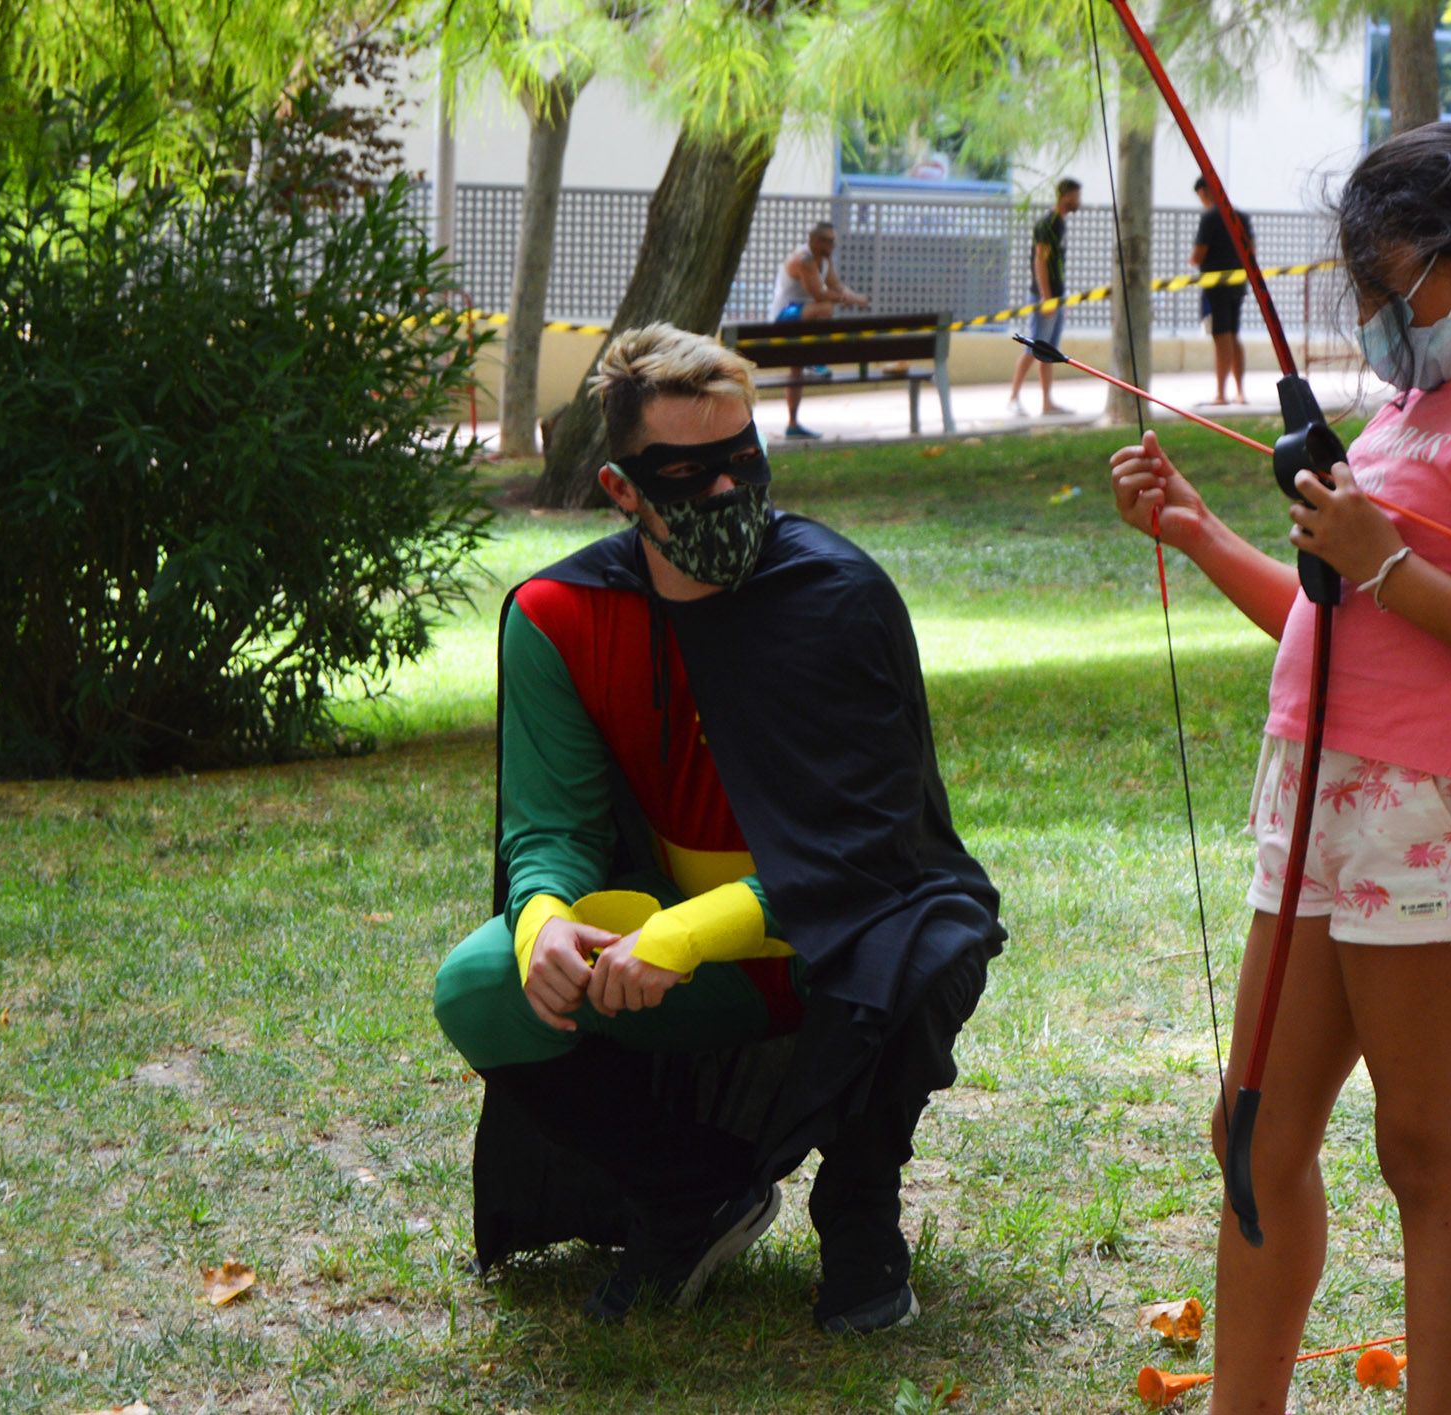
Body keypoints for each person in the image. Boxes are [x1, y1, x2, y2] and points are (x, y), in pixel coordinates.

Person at [1106, 123, 1451, 1414]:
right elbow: (1327, 616)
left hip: (1436, 811)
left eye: (1388, 277)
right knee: (1255, 1132)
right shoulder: (1411, 406)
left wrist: (1386, 557)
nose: (1373, 308)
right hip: (1320, 795)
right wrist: (1195, 523)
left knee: (1420, 1143)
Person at [433, 323, 1002, 1335]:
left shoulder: (841, 593)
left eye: (745, 461)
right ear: (620, 488)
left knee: (931, 940)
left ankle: (859, 1213)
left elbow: (874, 853)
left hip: (850, 931)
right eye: (689, 474)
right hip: (693, 959)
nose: (729, 493)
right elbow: (550, 827)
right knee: (480, 985)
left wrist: (684, 934)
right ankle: (687, 1193)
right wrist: (543, 928)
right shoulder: (559, 614)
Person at [769, 221, 871, 439]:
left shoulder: (825, 260)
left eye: (833, 241)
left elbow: (836, 286)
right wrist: (850, 299)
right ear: (814, 241)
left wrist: (853, 297)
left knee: (796, 367)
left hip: (803, 320)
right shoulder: (803, 259)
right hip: (785, 316)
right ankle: (816, 362)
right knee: (825, 308)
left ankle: (793, 424)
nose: (831, 245)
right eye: (827, 241)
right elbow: (820, 294)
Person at [1006, 177, 1082, 417]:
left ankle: (1047, 403)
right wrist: (1046, 297)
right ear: (1066, 195)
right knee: (1033, 349)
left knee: (1049, 352)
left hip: (1057, 298)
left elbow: (1056, 266)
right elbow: (1040, 261)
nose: (1079, 201)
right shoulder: (1047, 224)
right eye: (1077, 196)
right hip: (1044, 298)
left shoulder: (1060, 224)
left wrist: (1060, 300)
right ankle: (1013, 399)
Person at [1191, 177, 1252, 405]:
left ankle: (1220, 393)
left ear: (1205, 191)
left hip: (1215, 287)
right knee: (1234, 336)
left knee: (1221, 337)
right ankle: (1240, 391)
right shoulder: (1241, 217)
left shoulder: (1209, 218)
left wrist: (1194, 261)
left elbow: (1198, 255)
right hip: (1238, 284)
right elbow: (1251, 249)